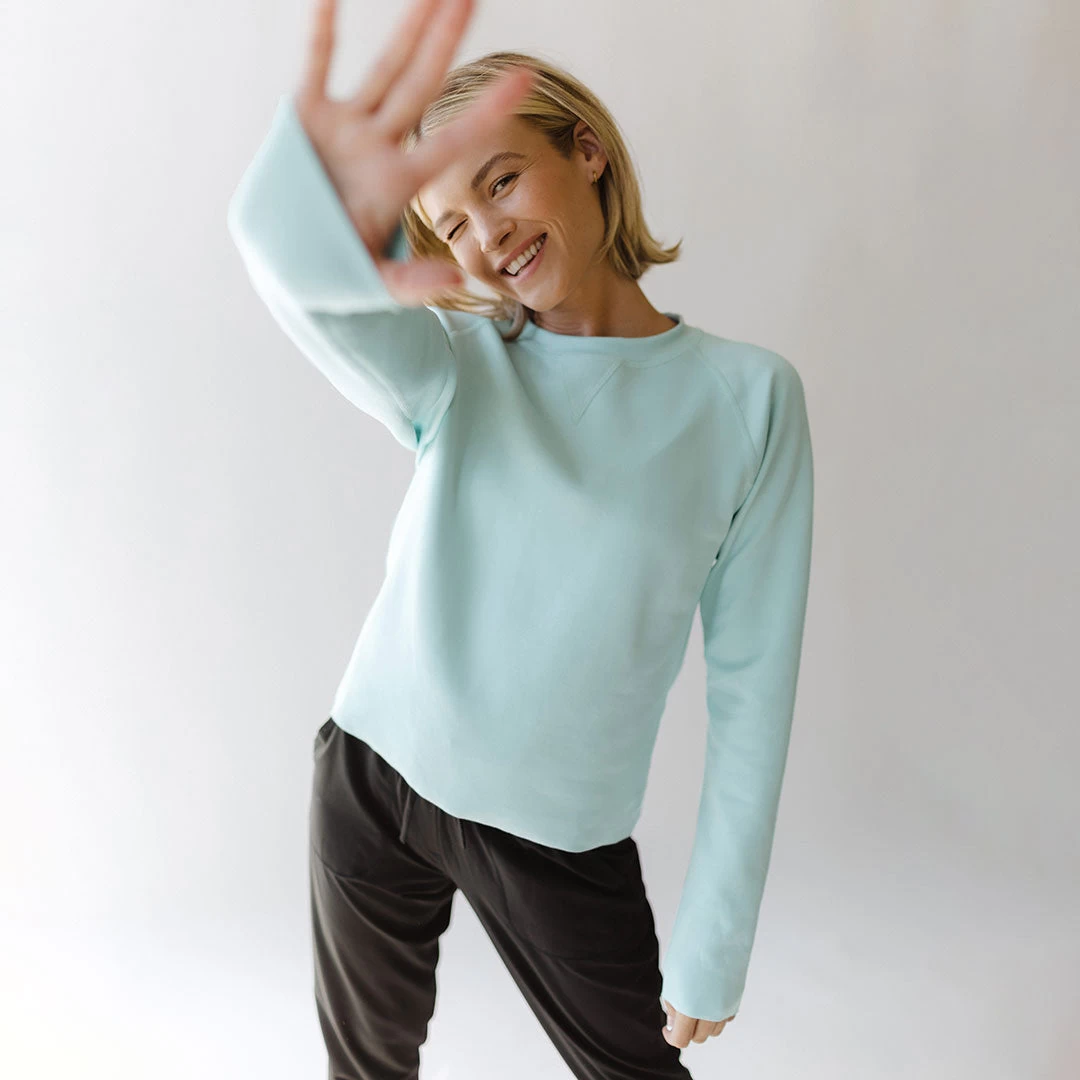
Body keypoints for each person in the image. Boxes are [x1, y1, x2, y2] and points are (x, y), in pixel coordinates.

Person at [226, 0, 814, 1076]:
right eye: (451, 225)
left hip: (558, 835)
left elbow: (754, 690)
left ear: (586, 150)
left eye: (500, 182)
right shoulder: (459, 361)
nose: (486, 236)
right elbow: (303, 291)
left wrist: (714, 937)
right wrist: (308, 195)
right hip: (374, 773)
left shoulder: (747, 401)